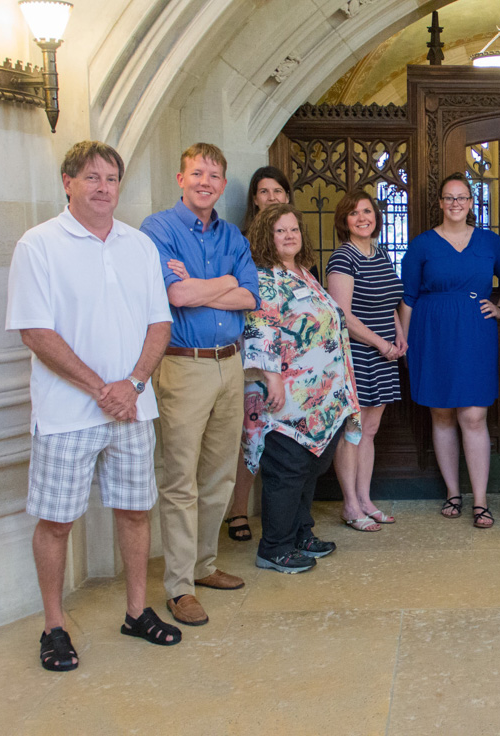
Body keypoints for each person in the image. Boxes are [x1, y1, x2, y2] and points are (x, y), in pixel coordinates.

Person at [6, 141, 181, 671]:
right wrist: (100, 387)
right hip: (66, 414)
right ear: (68, 182)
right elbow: (36, 331)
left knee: (134, 510)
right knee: (57, 521)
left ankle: (136, 611)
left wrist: (130, 384)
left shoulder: (138, 245)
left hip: (133, 408)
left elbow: (160, 321)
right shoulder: (39, 245)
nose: (103, 187)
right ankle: (54, 627)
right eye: (91, 178)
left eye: (110, 178)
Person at [141, 143, 260, 627]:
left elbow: (250, 296)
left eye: (214, 175)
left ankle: (205, 566)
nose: (206, 182)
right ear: (180, 178)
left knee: (219, 477)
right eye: (197, 173)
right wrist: (222, 282)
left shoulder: (233, 234)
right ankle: (179, 587)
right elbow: (175, 294)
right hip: (183, 366)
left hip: (230, 364)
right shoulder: (158, 229)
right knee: (179, 480)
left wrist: (205, 285)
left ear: (222, 183)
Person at [242, 204, 360, 572]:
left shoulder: (304, 273)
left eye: (294, 229)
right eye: (280, 231)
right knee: (287, 468)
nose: (290, 236)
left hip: (322, 396)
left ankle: (300, 533)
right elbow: (260, 328)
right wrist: (272, 376)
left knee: (311, 466)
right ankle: (274, 547)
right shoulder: (263, 279)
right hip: (287, 397)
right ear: (266, 236)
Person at [399, 173, 500, 528]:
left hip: (475, 332)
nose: (455, 204)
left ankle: (480, 500)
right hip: (430, 332)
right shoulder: (422, 245)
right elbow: (408, 298)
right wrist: (404, 341)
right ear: (440, 203)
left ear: (471, 202)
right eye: (449, 198)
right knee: (442, 414)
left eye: (462, 198)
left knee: (474, 416)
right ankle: (453, 492)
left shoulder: (489, 242)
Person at [326, 192, 406, 532]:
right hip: (358, 354)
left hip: (385, 353)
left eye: (367, 211)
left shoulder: (381, 252)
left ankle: (365, 498)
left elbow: (389, 302)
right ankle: (349, 505)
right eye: (354, 213)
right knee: (354, 430)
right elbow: (342, 315)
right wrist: (381, 344)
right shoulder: (343, 258)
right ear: (344, 221)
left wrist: (399, 335)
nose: (362, 217)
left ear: (376, 216)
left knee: (369, 431)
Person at [225, 165, 294, 544]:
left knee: (284, 441)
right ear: (254, 198)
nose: (271, 197)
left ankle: (281, 514)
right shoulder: (240, 242)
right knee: (251, 436)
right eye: (264, 191)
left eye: (278, 191)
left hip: (292, 362)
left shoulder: (294, 242)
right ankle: (238, 510)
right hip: (254, 359)